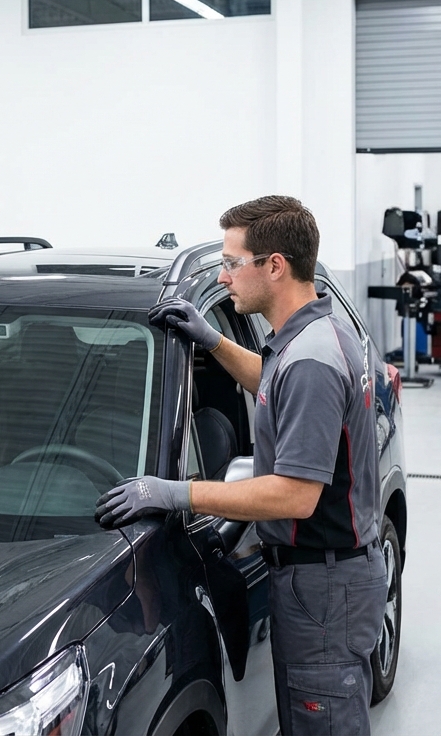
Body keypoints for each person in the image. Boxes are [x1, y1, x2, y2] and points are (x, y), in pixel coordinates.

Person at [95, 195, 387, 736]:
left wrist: (176, 493)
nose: (224, 276)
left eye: (232, 263)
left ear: (274, 266)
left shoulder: (312, 361)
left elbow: (294, 495)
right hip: (327, 577)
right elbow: (276, 384)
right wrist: (214, 342)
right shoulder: (312, 335)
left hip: (324, 587)